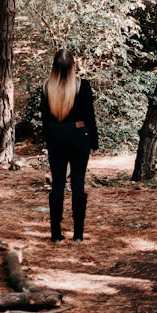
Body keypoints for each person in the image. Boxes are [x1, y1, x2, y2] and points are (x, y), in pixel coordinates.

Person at [41, 48, 98, 243]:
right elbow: (90, 117)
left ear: (54, 67)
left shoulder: (47, 87)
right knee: (78, 184)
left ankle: (55, 234)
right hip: (79, 136)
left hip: (56, 137)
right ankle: (78, 235)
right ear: (73, 66)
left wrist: (49, 140)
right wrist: (94, 143)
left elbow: (45, 120)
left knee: (57, 184)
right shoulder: (83, 86)